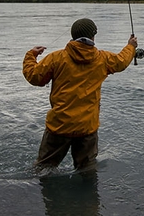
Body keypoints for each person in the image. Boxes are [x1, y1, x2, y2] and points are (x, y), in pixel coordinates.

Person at [23, 17, 137, 171]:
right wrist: (130, 46)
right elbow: (122, 61)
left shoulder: (56, 58)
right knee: (87, 171)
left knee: (43, 170)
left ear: (73, 36)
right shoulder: (103, 59)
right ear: (93, 36)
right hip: (87, 129)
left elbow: (34, 77)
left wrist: (31, 55)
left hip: (59, 126)